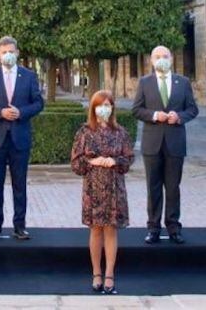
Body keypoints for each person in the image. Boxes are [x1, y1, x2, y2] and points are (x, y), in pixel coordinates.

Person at [0, 35, 44, 240]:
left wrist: (21, 112)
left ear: (17, 52)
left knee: (19, 184)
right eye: (4, 51)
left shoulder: (29, 76)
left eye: (11, 51)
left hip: (19, 138)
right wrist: (0, 113)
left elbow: (39, 103)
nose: (8, 55)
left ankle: (19, 226)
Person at [131, 45, 198, 244]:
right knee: (153, 187)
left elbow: (193, 109)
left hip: (175, 142)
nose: (161, 59)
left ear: (171, 58)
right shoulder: (145, 82)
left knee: (173, 187)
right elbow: (136, 109)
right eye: (157, 56)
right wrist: (153, 115)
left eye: (165, 56)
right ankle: (153, 227)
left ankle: (173, 227)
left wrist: (179, 117)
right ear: (151, 61)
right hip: (152, 143)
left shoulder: (183, 82)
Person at [72, 90, 133, 295]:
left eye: (108, 105)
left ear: (112, 108)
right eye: (100, 105)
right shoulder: (84, 132)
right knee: (96, 229)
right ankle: (96, 272)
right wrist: (92, 161)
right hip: (93, 188)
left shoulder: (121, 132)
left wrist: (114, 161)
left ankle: (109, 274)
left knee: (111, 229)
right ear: (93, 108)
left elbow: (128, 159)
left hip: (115, 188)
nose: (104, 109)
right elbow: (76, 162)